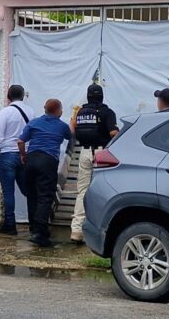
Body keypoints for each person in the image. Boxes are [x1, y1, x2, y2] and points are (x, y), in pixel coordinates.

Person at [18, 99, 72, 248]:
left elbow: (20, 141)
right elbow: (71, 136)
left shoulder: (34, 123)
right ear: (59, 110)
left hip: (31, 159)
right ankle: (40, 233)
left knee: (32, 194)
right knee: (45, 197)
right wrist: (73, 123)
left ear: (45, 109)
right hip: (47, 161)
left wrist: (23, 155)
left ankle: (33, 228)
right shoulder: (61, 126)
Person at [69, 84, 119, 244]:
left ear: (88, 96)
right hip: (101, 154)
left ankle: (76, 230)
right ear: (102, 96)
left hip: (84, 153)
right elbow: (113, 133)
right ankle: (101, 229)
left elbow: (72, 129)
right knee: (104, 190)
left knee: (82, 191)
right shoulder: (107, 112)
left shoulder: (80, 112)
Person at [0, 85, 35, 235]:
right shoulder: (31, 112)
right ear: (23, 96)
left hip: (7, 155)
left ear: (8, 96)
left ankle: (10, 224)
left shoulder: (5, 112)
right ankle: (34, 222)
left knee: (8, 192)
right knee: (28, 190)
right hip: (25, 155)